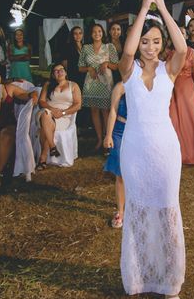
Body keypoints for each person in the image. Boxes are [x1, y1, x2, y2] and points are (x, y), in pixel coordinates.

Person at [118, 0, 187, 299]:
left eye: (156, 42)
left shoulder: (169, 70)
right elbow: (128, 51)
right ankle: (140, 276)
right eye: (146, 41)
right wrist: (144, 7)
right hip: (134, 150)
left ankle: (170, 280)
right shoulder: (128, 71)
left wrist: (162, 7)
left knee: (167, 209)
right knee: (139, 209)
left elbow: (183, 48)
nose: (150, 47)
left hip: (165, 150)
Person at [78, 23, 119, 153]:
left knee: (106, 111)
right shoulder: (86, 48)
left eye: (100, 31)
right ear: (91, 34)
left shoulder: (109, 47)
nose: (97, 34)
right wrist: (89, 68)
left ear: (103, 33)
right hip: (91, 84)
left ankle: (108, 139)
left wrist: (107, 63)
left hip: (106, 83)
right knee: (94, 111)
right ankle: (99, 139)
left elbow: (117, 66)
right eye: (94, 32)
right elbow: (80, 67)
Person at [35, 63, 82, 169]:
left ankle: (43, 158)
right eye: (56, 71)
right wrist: (52, 110)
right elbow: (41, 101)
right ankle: (52, 146)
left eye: (61, 70)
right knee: (46, 115)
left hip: (64, 116)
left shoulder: (73, 85)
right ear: (52, 75)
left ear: (65, 72)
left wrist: (63, 113)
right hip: (46, 112)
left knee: (46, 127)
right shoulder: (48, 84)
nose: (59, 72)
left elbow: (78, 105)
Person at [103, 82, 126, 228]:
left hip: (139, 131)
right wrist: (108, 135)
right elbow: (113, 111)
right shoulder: (120, 87)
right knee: (121, 173)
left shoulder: (146, 84)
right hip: (119, 131)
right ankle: (121, 212)